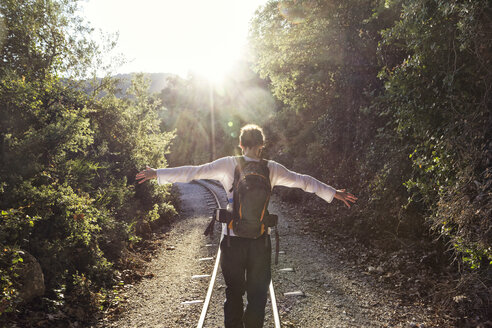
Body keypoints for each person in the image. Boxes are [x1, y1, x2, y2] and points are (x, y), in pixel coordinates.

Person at [135, 124, 357, 328]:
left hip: (232, 241)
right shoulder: (272, 168)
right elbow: (305, 181)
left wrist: (158, 173)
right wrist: (333, 193)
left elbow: (194, 171)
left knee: (233, 293)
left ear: (241, 144)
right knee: (258, 295)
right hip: (260, 241)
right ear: (262, 145)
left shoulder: (228, 164)